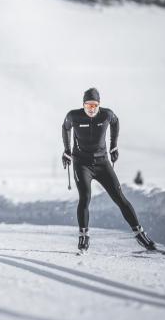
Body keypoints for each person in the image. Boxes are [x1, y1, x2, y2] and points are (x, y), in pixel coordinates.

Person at [62, 87, 156, 253]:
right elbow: (65, 127)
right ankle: (83, 236)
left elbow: (116, 122)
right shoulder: (74, 116)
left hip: (102, 163)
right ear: (83, 105)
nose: (91, 109)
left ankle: (139, 234)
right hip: (81, 163)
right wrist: (67, 150)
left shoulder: (106, 115)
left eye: (95, 105)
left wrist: (113, 146)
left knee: (120, 198)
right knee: (85, 198)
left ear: (99, 105)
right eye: (88, 105)